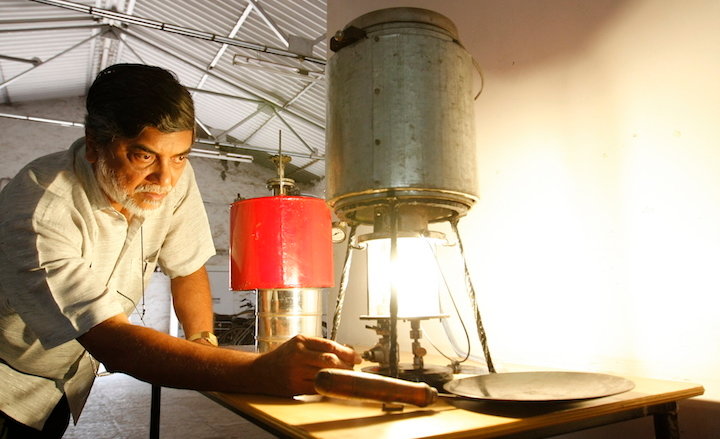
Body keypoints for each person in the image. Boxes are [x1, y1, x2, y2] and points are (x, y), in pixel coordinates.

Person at [0, 64, 359, 438]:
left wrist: (203, 342)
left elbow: (187, 266)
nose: (165, 180)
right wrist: (257, 372)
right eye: (143, 157)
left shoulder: (172, 176)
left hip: (61, 385)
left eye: (180, 156)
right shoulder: (41, 209)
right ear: (94, 145)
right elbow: (112, 343)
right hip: (7, 382)